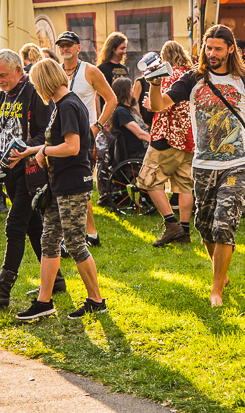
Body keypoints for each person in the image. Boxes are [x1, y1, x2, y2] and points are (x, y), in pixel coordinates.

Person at [149, 25, 245, 307]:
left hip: (237, 163)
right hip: (203, 164)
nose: (212, 53)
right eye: (208, 48)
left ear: (231, 49)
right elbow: (158, 105)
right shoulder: (193, 78)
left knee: (223, 224)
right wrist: (154, 83)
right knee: (204, 226)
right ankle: (222, 273)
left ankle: (216, 288)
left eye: (218, 49)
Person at [0, 49, 67, 309]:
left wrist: (22, 150)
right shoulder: (1, 97)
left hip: (32, 173)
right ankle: (57, 281)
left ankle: (2, 290)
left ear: (18, 70)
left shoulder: (35, 92)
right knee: (33, 226)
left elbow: (47, 134)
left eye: (3, 75)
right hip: (10, 173)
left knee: (15, 225)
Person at [16, 58, 107, 321]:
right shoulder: (65, 103)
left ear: (44, 82)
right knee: (49, 240)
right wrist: (32, 150)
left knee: (76, 243)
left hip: (72, 185)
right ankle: (44, 302)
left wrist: (44, 150)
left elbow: (72, 147)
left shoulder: (67, 105)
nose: (36, 90)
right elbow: (60, 143)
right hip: (59, 185)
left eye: (36, 84)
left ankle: (96, 300)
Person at [56, 30, 117, 248]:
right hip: (61, 136)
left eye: (69, 44)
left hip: (84, 137)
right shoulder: (57, 72)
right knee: (65, 185)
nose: (65, 48)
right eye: (61, 45)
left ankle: (89, 234)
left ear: (78, 48)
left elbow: (111, 99)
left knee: (81, 186)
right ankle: (79, 234)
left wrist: (97, 126)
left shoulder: (89, 70)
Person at [137, 40, 195, 247]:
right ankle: (185, 232)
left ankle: (171, 225)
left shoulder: (167, 75)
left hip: (167, 135)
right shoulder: (191, 76)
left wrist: (150, 104)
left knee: (149, 180)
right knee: (185, 185)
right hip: (189, 139)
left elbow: (161, 105)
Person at [109, 77, 148, 159]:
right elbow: (140, 134)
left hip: (143, 150)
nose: (133, 90)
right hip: (137, 154)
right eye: (131, 88)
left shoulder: (130, 109)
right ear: (125, 91)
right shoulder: (121, 111)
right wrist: (156, 143)